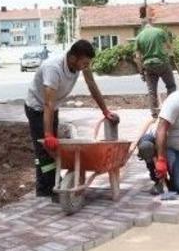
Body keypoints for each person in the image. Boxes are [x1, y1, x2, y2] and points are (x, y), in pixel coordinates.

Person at [25, 39, 119, 199]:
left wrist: (105, 111)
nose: (86, 66)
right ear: (73, 58)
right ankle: (51, 189)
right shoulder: (53, 68)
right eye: (84, 63)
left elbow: (92, 85)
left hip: (51, 109)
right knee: (45, 149)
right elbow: (47, 103)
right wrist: (48, 134)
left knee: (47, 151)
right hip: (37, 108)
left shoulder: (80, 63)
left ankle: (43, 187)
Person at [134, 11, 176, 117]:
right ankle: (170, 110)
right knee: (171, 86)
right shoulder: (160, 32)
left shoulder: (139, 37)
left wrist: (141, 72)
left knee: (152, 90)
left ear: (142, 26)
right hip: (162, 63)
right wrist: (171, 56)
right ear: (151, 22)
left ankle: (154, 113)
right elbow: (169, 47)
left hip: (148, 66)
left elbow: (138, 57)